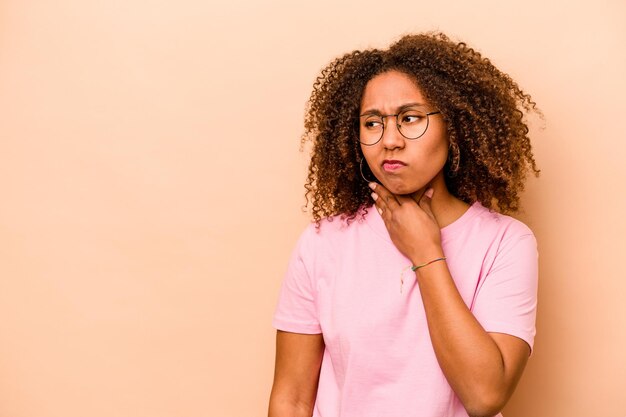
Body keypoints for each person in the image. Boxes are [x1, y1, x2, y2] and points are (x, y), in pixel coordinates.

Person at [268, 32, 540, 417]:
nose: (390, 140)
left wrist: (426, 252)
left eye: (410, 119)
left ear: (454, 126)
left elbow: (485, 396)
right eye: (373, 123)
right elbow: (291, 399)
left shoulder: (505, 243)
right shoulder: (322, 243)